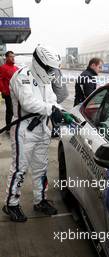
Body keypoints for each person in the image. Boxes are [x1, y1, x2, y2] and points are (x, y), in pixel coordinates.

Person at [2, 45, 74, 222]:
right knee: (19, 169)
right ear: (39, 63)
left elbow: (51, 100)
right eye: (49, 69)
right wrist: (51, 109)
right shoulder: (22, 76)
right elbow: (28, 103)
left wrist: (62, 111)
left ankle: (40, 200)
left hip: (42, 128)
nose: (51, 72)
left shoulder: (45, 80)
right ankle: (11, 204)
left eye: (53, 69)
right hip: (23, 130)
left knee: (41, 168)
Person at [0, 51, 18, 133]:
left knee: (17, 111)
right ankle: (8, 128)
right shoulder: (3, 68)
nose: (13, 58)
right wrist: (3, 90)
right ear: (6, 58)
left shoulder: (16, 68)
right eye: (11, 56)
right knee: (10, 110)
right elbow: (0, 79)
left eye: (13, 56)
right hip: (8, 93)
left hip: (17, 93)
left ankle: (16, 126)